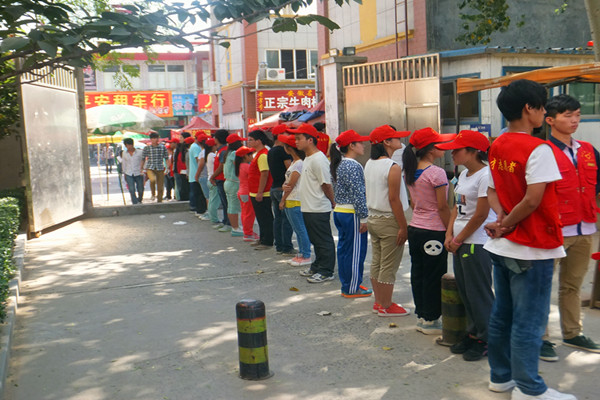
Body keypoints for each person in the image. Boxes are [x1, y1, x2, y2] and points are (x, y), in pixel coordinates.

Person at [484, 79, 574, 400]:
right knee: (529, 321)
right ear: (528, 109)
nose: (543, 112)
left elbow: (492, 190)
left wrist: (500, 220)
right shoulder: (539, 148)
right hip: (532, 246)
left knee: (502, 315)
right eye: (542, 106)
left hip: (502, 246)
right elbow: (533, 200)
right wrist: (507, 223)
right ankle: (530, 389)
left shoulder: (497, 145)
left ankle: (501, 377)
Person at [541, 94, 600, 360]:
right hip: (554, 231)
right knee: (542, 286)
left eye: (577, 115)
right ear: (550, 120)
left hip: (585, 229)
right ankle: (540, 337)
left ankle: (573, 332)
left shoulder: (588, 150)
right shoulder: (542, 151)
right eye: (568, 116)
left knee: (572, 286)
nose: (575, 120)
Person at [437, 130, 496, 361]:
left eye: (457, 150)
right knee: (466, 292)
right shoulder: (463, 174)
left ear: (473, 152)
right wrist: (449, 234)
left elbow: (481, 215)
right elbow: (456, 207)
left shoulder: (486, 175)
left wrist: (458, 239)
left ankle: (487, 339)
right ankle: (473, 334)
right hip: (460, 241)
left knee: (479, 293)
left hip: (476, 243)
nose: (452, 154)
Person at [403, 127, 455, 333]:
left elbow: (414, 203)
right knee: (434, 275)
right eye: (440, 143)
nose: (444, 147)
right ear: (431, 149)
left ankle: (423, 316)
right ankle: (431, 319)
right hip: (434, 230)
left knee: (419, 272)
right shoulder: (436, 173)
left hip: (416, 228)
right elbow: (442, 206)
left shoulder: (410, 170)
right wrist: (450, 231)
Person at [365, 125, 410, 316]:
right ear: (387, 142)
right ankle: (386, 305)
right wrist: (403, 226)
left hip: (373, 218)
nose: (400, 140)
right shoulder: (392, 167)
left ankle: (379, 302)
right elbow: (394, 199)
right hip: (388, 220)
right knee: (389, 265)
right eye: (396, 137)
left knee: (377, 262)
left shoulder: (369, 163)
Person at [288, 123, 336, 283]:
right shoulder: (308, 158)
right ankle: (317, 266)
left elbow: (326, 184)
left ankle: (326, 271)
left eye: (299, 138)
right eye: (295, 138)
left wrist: (333, 202)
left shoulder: (319, 159)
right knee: (316, 240)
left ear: (310, 140)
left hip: (318, 207)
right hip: (308, 207)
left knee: (323, 241)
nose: (296, 142)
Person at [330, 130, 372, 298]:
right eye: (360, 142)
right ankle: (352, 288)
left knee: (344, 251)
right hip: (351, 213)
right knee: (355, 252)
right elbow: (357, 193)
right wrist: (364, 217)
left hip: (340, 211)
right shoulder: (352, 165)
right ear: (351, 146)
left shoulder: (339, 164)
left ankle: (348, 284)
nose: (363, 145)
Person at [279, 134, 312, 267]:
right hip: (292, 200)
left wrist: (282, 200)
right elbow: (287, 183)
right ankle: (302, 253)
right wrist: (283, 186)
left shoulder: (299, 164)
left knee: (300, 229)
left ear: (289, 148)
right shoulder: (294, 162)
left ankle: (306, 254)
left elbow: (291, 185)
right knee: (298, 229)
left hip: (295, 200)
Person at [268, 124, 295, 255]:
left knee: (278, 219)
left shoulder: (271, 151)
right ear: (280, 136)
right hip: (282, 188)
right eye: (286, 133)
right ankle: (287, 247)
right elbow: (290, 169)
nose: (289, 136)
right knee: (286, 220)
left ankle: (279, 246)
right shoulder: (282, 151)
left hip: (274, 188)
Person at [247, 130, 274, 250]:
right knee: (260, 217)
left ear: (258, 141)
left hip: (263, 192)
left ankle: (267, 241)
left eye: (251, 140)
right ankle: (262, 238)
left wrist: (260, 192)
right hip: (255, 191)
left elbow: (264, 174)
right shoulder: (258, 154)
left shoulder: (263, 155)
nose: (249, 142)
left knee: (265, 218)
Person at [222, 133, 245, 236]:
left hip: (228, 182)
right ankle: (235, 228)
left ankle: (235, 227)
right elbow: (239, 166)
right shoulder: (235, 154)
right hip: (234, 183)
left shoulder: (228, 153)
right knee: (233, 206)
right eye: (240, 141)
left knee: (231, 205)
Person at [235, 146, 258, 242]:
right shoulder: (246, 166)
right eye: (250, 155)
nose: (252, 156)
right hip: (247, 193)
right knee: (249, 214)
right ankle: (248, 233)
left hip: (242, 192)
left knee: (245, 213)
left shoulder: (240, 166)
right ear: (245, 156)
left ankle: (247, 232)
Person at [210, 129, 231, 229]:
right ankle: (225, 220)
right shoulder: (220, 150)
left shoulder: (223, 151)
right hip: (219, 179)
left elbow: (221, 166)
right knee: (224, 202)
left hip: (222, 179)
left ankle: (228, 223)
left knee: (226, 202)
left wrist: (213, 176)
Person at [142, 132, 168, 203]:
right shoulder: (147, 148)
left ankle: (160, 200)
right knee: (152, 179)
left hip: (160, 167)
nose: (155, 140)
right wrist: (141, 168)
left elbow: (166, 158)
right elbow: (143, 158)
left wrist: (167, 168)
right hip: (150, 167)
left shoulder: (163, 147)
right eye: (153, 138)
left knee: (160, 185)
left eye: (156, 138)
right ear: (150, 139)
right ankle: (153, 194)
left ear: (158, 139)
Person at [121, 138, 145, 204]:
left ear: (132, 144)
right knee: (131, 189)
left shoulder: (140, 152)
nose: (129, 147)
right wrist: (124, 173)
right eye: (127, 145)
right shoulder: (124, 153)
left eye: (130, 145)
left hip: (139, 172)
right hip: (129, 173)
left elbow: (143, 161)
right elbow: (124, 163)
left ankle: (139, 199)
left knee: (140, 188)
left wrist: (144, 170)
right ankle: (134, 202)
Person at [188, 133, 207, 215]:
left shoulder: (194, 146)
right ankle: (199, 210)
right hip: (197, 174)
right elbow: (199, 161)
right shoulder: (196, 147)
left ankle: (196, 209)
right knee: (199, 194)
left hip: (195, 173)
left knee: (197, 193)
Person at [205, 137, 222, 225]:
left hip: (210, 179)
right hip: (213, 180)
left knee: (212, 200)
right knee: (214, 202)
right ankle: (214, 219)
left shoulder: (208, 155)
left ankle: (212, 217)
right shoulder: (212, 155)